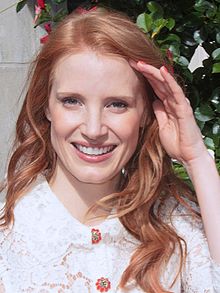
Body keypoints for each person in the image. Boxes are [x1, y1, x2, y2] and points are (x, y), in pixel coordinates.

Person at [0, 8, 220, 293]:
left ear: (144, 114)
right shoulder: (8, 240)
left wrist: (196, 158)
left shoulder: (178, 226)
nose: (94, 129)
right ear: (46, 106)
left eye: (117, 104)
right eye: (72, 101)